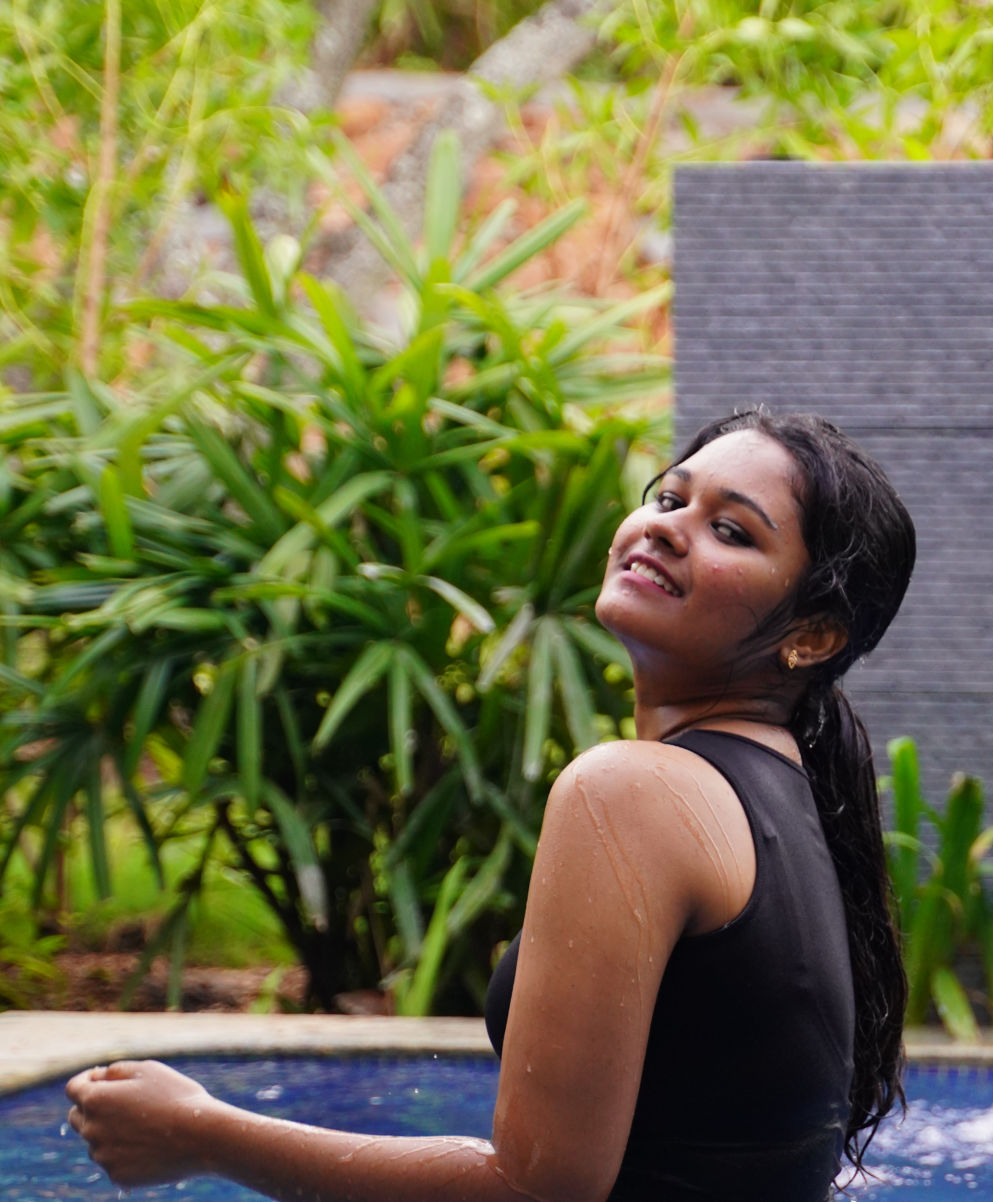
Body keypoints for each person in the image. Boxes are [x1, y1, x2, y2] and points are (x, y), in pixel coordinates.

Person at [66, 409, 917, 1202]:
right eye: (668, 497)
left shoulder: (633, 791)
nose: (666, 525)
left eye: (729, 530)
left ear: (812, 636)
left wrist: (203, 1133)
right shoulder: (786, 797)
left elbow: (537, 1189)